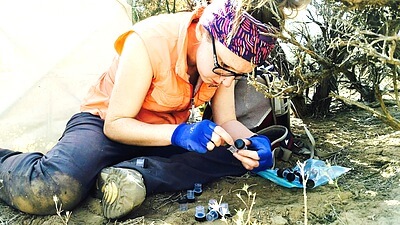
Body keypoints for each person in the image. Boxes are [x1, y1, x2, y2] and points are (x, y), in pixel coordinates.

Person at [0, 0, 310, 220]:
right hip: (104, 126)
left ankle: (129, 175)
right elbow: (116, 125)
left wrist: (255, 143)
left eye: (237, 74)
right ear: (204, 33)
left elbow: (227, 120)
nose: (226, 79)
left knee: (234, 156)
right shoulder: (149, 40)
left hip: (162, 136)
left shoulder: (222, 64)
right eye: (223, 67)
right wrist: (180, 133)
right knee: (54, 189)